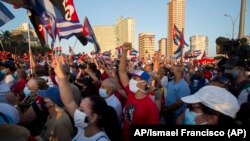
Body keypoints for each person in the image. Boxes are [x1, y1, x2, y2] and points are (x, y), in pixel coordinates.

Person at [53, 56, 122, 141]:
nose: (77, 111)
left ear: (93, 117)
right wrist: (60, 75)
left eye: (81, 110)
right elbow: (69, 101)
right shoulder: (83, 127)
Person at [118, 43, 160, 141]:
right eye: (132, 78)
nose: (131, 80)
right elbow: (122, 72)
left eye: (135, 78)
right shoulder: (130, 94)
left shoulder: (150, 106)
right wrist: (124, 52)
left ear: (144, 82)